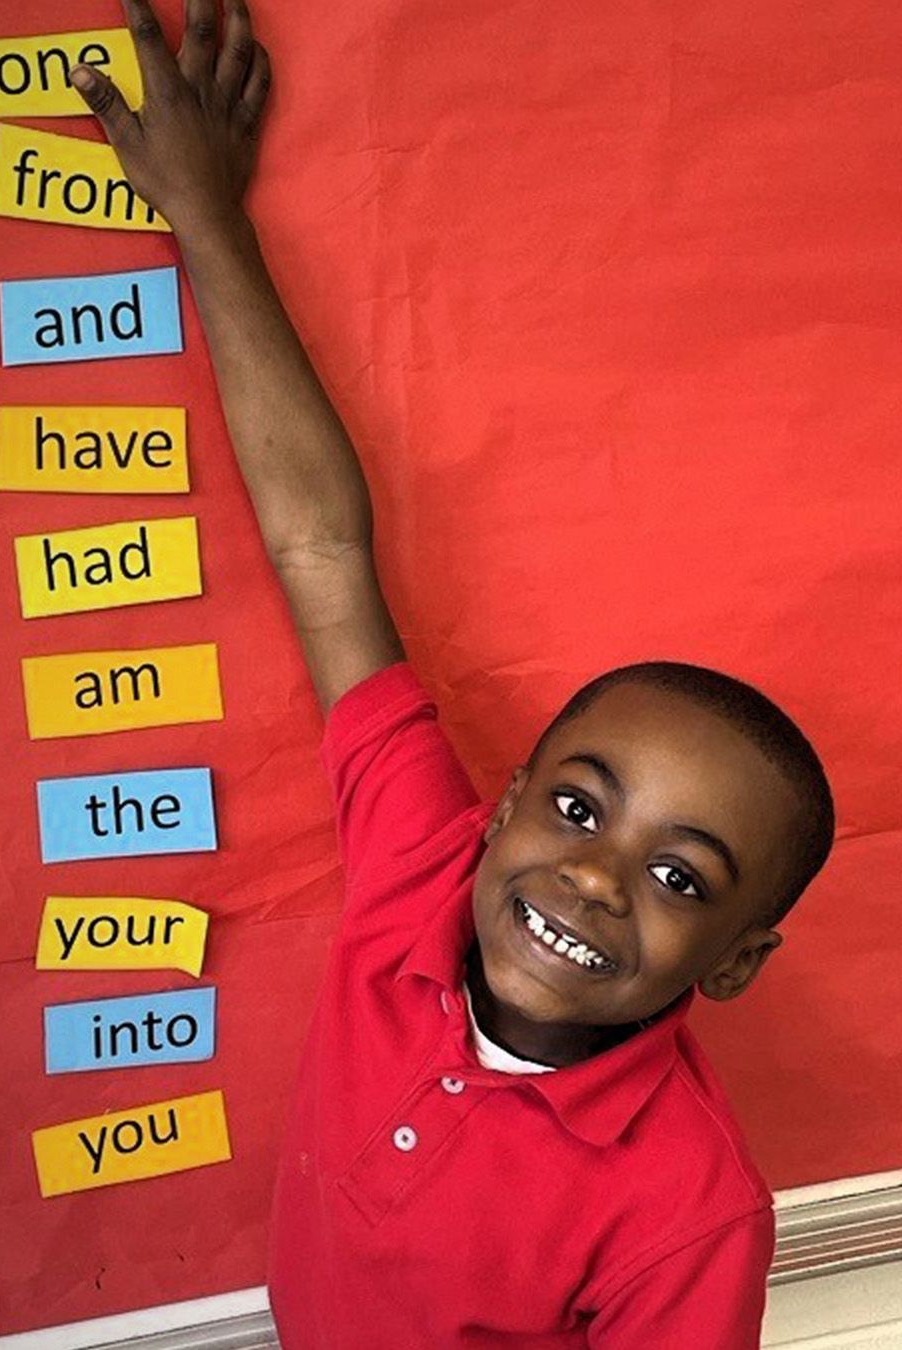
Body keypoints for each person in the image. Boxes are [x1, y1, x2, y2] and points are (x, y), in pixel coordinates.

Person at [70, 3, 835, 1344]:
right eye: (583, 808)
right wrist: (204, 216)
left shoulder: (689, 1211)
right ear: (508, 799)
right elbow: (318, 547)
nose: (595, 876)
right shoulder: (422, 863)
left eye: (680, 877)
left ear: (736, 960)